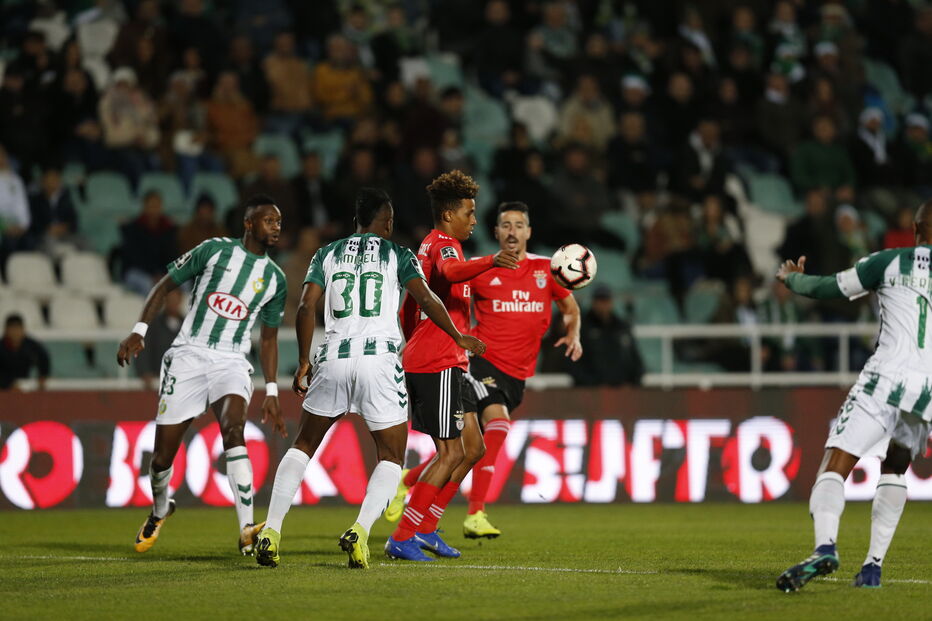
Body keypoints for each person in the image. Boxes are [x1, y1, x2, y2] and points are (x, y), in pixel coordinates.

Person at [253, 188, 485, 570]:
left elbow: (307, 306)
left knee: (303, 445)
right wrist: (457, 335)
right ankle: (360, 531)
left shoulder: (326, 253)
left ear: (355, 221)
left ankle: (272, 530)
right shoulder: (399, 254)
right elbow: (427, 299)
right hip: (379, 361)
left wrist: (304, 361)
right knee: (391, 456)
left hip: (333, 356)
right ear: (388, 222)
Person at [385, 201, 582, 537]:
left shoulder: (546, 270)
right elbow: (441, 292)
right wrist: (425, 337)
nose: (512, 231)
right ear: (496, 232)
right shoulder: (481, 269)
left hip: (516, 374)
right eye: (505, 225)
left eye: (518, 225)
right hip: (479, 362)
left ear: (529, 232)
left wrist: (573, 334)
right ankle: (474, 513)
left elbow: (570, 308)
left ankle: (411, 483)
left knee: (467, 449)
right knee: (497, 427)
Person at [117, 194, 288, 556]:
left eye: (278, 222)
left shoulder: (275, 278)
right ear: (249, 224)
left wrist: (272, 390)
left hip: (232, 361)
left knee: (234, 429)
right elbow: (164, 286)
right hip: (188, 356)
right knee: (161, 459)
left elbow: (268, 339)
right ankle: (160, 509)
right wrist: (139, 331)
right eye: (268, 221)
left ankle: (246, 530)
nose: (276, 227)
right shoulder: (213, 251)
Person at [774, 198, 932, 592]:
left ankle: (825, 547)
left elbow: (828, 288)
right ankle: (872, 567)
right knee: (895, 469)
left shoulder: (888, 262)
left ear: (915, 231)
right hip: (926, 392)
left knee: (835, 464)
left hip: (884, 379)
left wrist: (792, 279)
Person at [384, 171, 519, 562]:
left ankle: (426, 528)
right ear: (448, 214)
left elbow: (409, 310)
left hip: (450, 361)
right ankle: (404, 535)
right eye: (469, 213)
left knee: (472, 448)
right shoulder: (443, 246)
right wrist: (491, 261)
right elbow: (449, 273)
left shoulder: (439, 246)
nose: (474, 220)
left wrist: (420, 340)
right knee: (448, 454)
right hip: (438, 361)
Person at [0, 314, 50, 390]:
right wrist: (8, 384)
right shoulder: (1, 347)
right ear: (6, 330)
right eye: (12, 329)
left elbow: (44, 358)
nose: (15, 333)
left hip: (25, 385)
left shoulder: (31, 345)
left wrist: (42, 377)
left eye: (18, 329)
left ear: (23, 329)